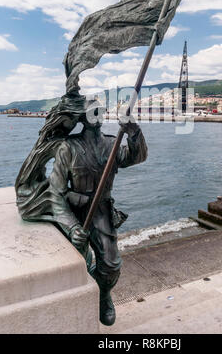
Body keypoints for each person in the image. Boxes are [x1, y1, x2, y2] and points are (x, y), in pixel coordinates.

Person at [45, 101, 147, 326]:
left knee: (111, 265)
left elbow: (136, 157)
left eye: (101, 111)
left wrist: (134, 132)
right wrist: (71, 226)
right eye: (93, 112)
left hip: (101, 211)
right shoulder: (68, 148)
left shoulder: (113, 144)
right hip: (74, 210)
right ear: (82, 118)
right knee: (75, 264)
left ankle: (103, 294)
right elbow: (56, 193)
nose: (98, 116)